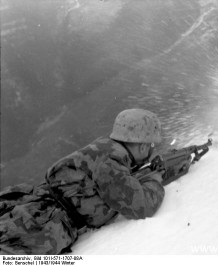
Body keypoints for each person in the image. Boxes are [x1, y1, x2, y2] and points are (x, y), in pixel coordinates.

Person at [0, 109, 165, 255]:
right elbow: (143, 206)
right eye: (151, 146)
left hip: (31, 202)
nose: (151, 150)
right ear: (143, 146)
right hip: (43, 222)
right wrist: (155, 177)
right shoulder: (111, 164)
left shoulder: (106, 147)